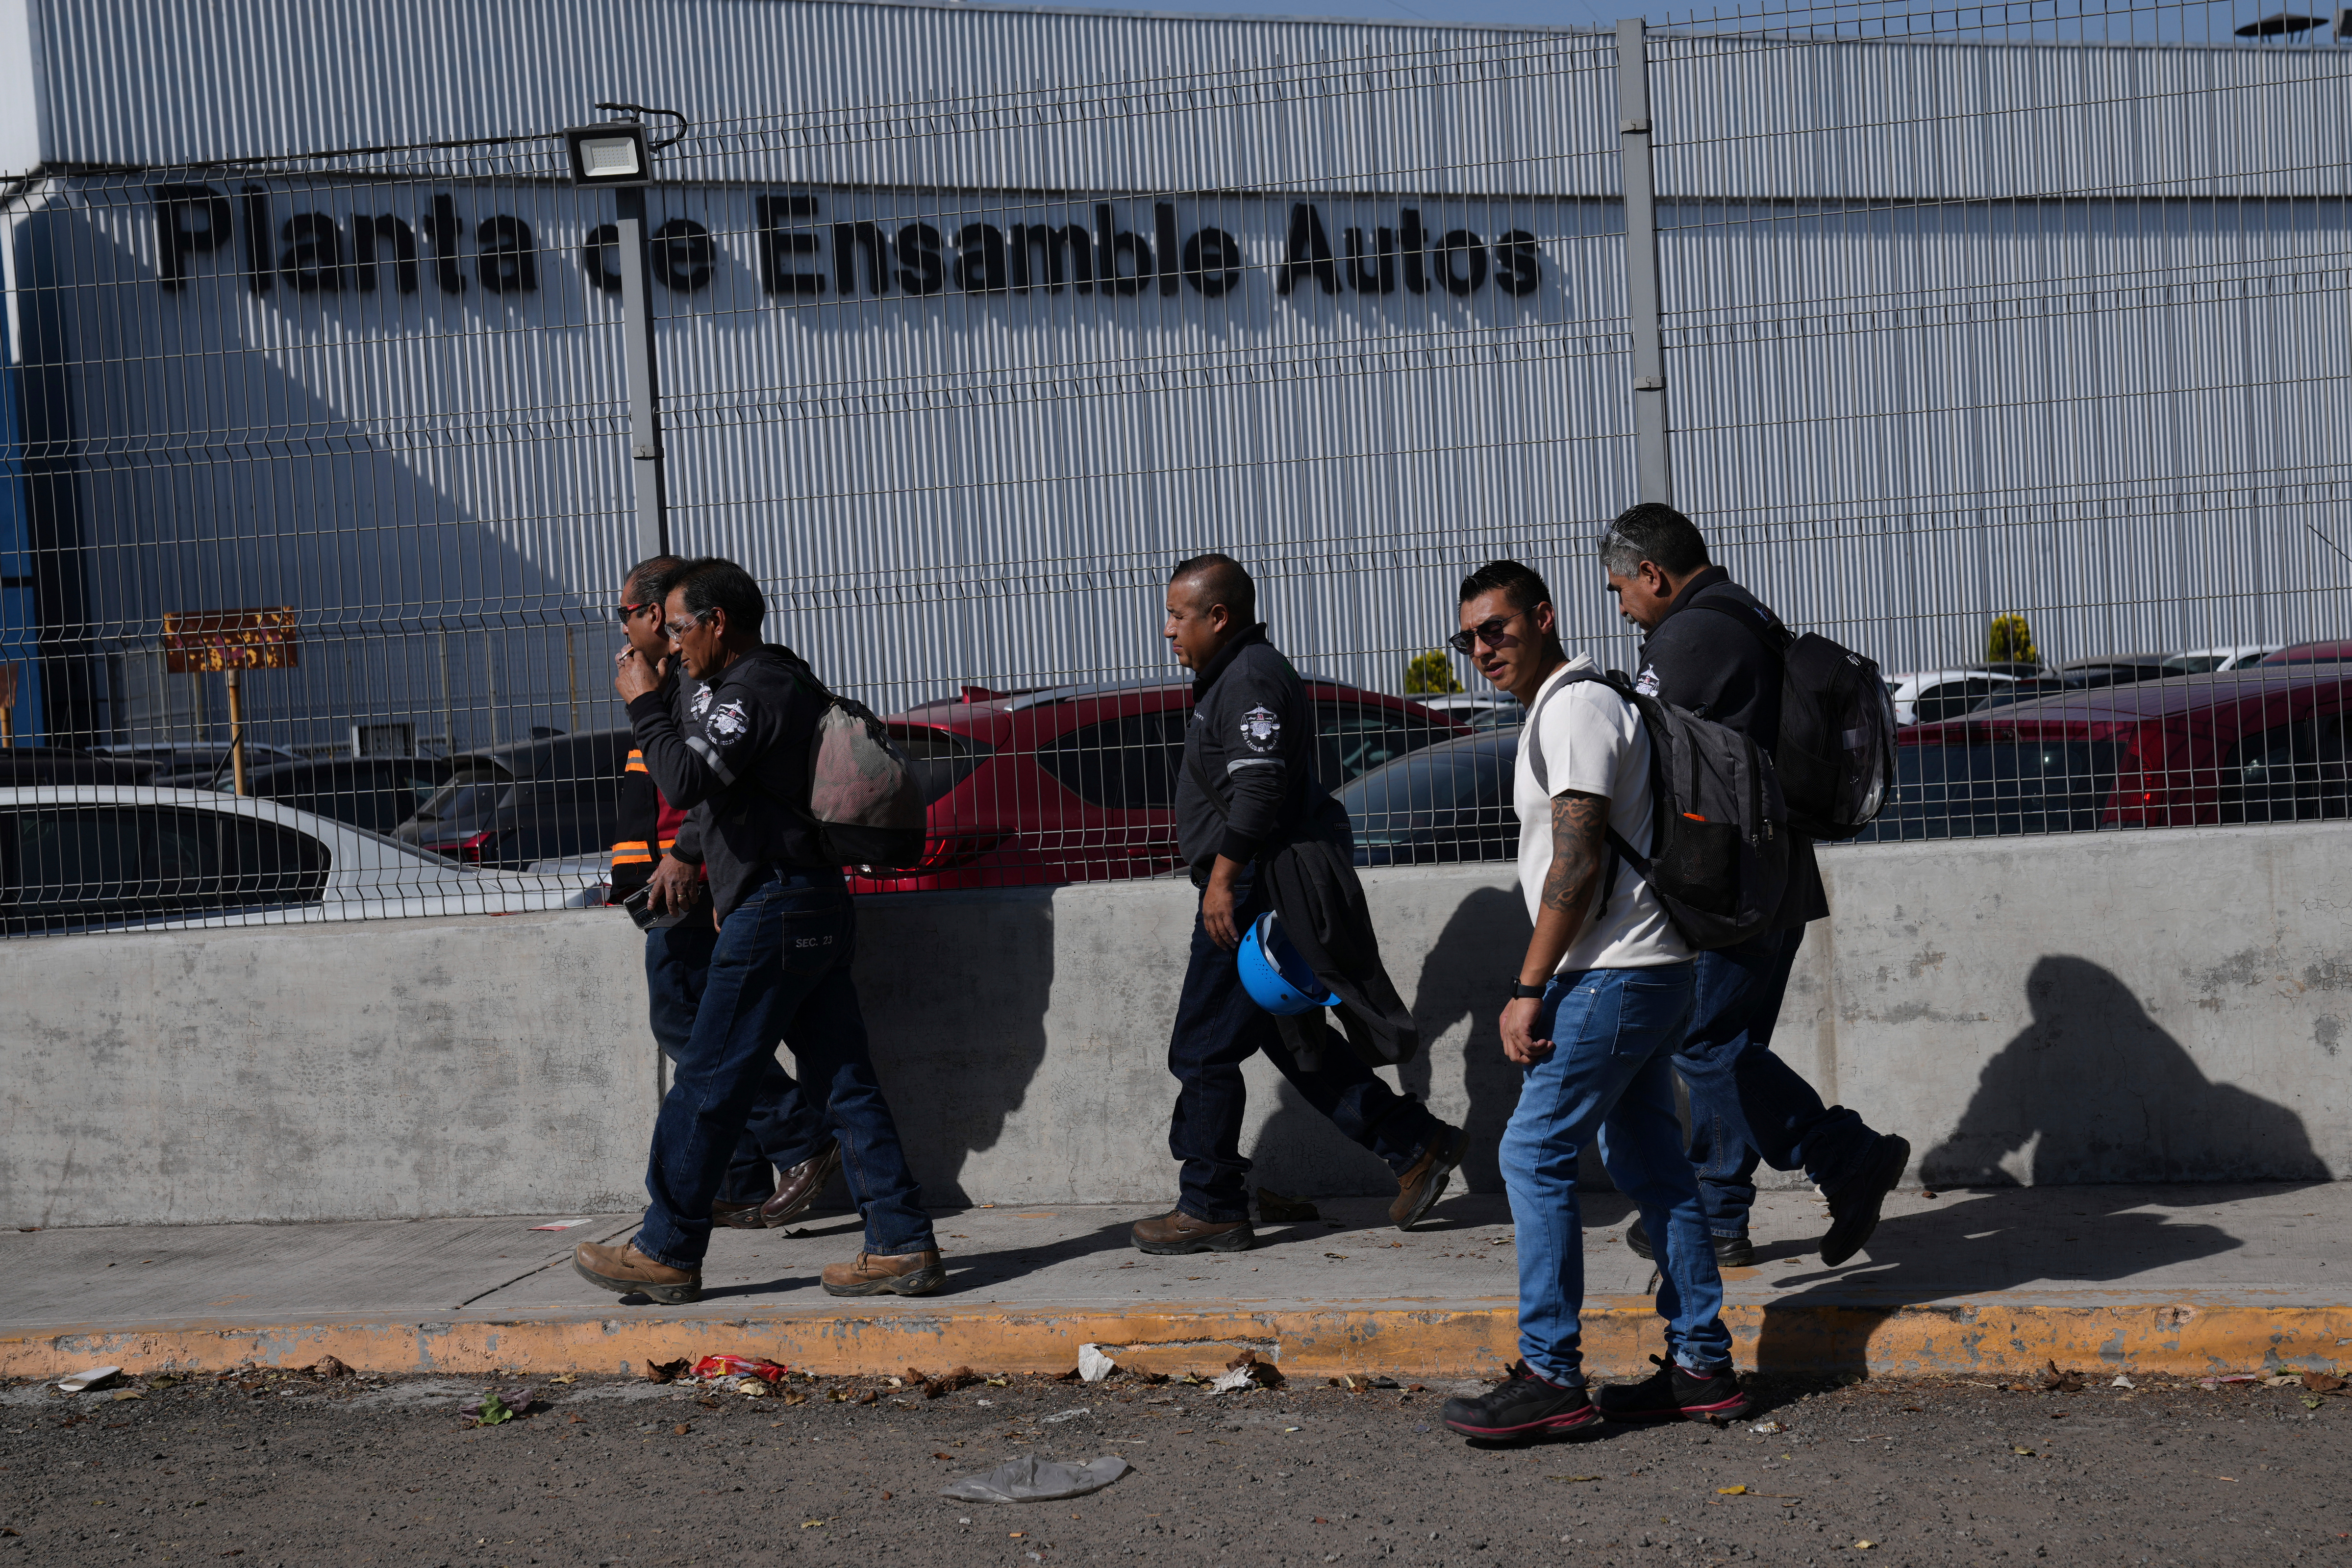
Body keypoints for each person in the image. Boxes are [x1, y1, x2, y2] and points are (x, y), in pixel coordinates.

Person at [574, 557, 941, 1303]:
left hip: (780, 907)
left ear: (717, 623)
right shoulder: (760, 683)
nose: (671, 646)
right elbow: (723, 803)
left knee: (707, 1080)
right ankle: (901, 1241)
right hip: (794, 901)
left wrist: (646, 704)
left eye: (680, 629)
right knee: (844, 1081)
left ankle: (667, 1247)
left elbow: (686, 780)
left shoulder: (751, 688)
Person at [1440, 559, 1745, 1440]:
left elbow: (1575, 866)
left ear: (1542, 617)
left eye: (1495, 629)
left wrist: (1526, 986)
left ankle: (1551, 1374)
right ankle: (1701, 1366)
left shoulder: (1574, 708)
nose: (1480, 649)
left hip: (1611, 970)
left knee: (1531, 1154)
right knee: (1654, 1165)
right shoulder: (1576, 704)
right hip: (1644, 968)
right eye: (1467, 639)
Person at [1598, 503, 1910, 1269]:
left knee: (1705, 1045)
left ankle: (1842, 1154)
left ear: (1652, 572)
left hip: (1726, 879)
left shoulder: (1690, 634)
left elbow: (1636, 747)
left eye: (1619, 588)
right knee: (1733, 1045)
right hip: (1776, 871)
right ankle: (1715, 1212)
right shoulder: (1745, 613)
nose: (1620, 605)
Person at [1132, 553, 1470, 1255]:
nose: (1167, 629)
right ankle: (1413, 1144)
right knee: (1292, 1040)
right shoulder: (1231, 675)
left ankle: (1210, 1203)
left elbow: (1258, 790)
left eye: (1177, 614)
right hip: (1254, 878)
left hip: (1251, 884)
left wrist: (1222, 881)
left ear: (1217, 616)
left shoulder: (1249, 677)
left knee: (1201, 1048)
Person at [609, 554, 841, 1233]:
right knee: (705, 1039)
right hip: (681, 889)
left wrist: (685, 857)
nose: (624, 627)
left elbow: (702, 783)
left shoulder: (697, 685)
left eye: (627, 612)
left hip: (710, 890)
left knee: (698, 1039)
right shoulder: (667, 681)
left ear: (660, 614)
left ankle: (792, 1143)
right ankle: (737, 1180)